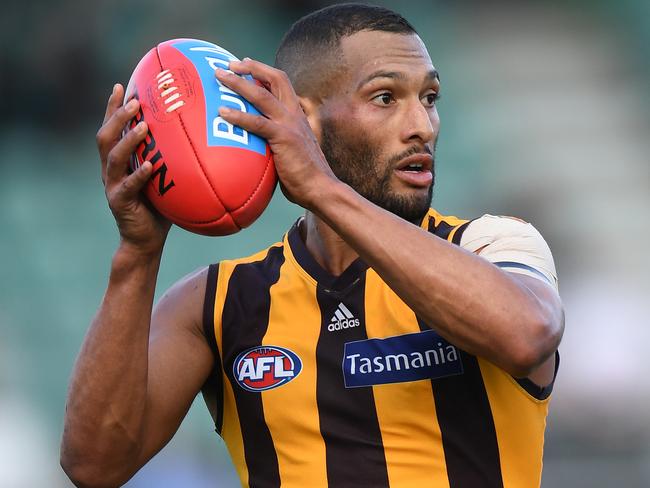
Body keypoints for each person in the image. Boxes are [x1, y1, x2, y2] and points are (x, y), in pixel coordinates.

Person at [60, 3, 564, 487]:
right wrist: (137, 254)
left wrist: (322, 187)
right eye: (386, 98)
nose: (421, 127)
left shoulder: (493, 244)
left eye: (429, 98)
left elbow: (526, 336)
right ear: (299, 118)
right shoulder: (219, 303)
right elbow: (95, 465)